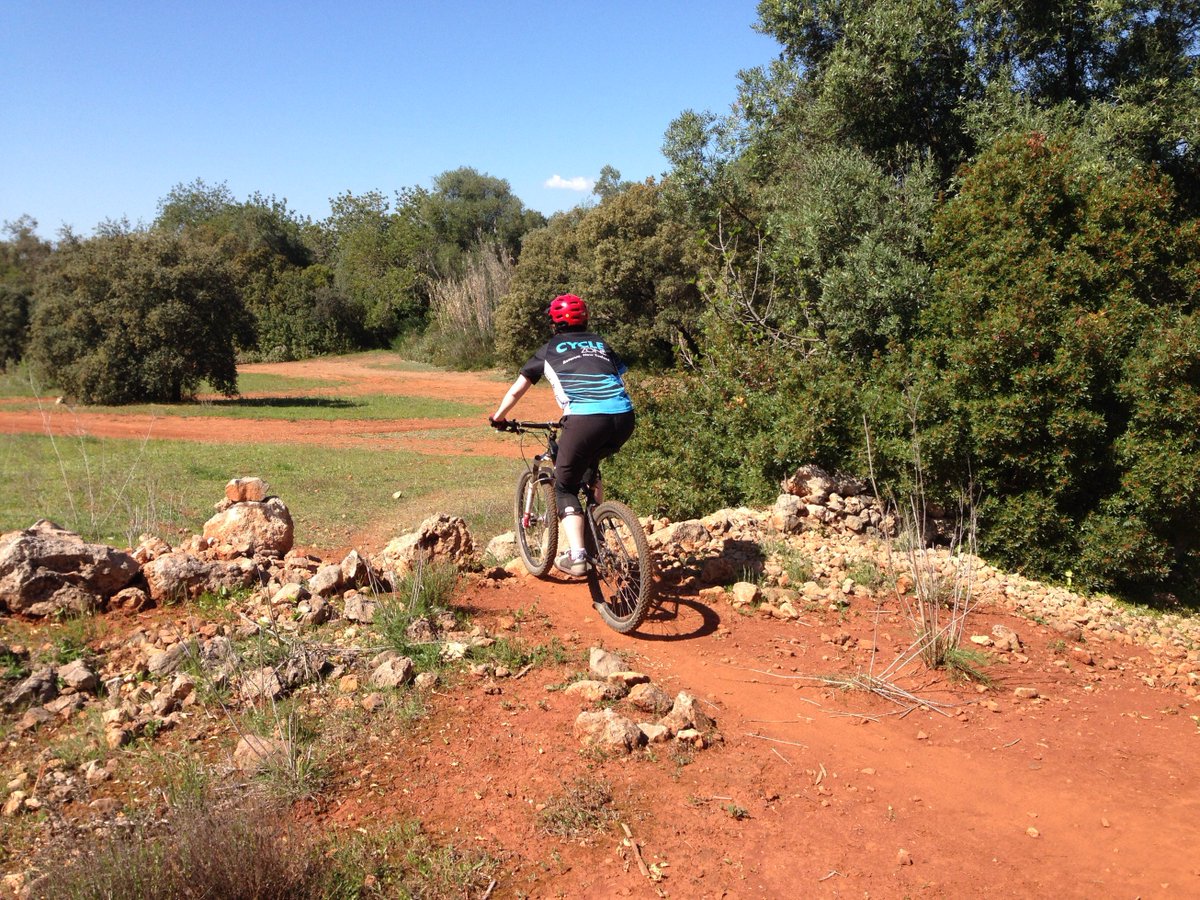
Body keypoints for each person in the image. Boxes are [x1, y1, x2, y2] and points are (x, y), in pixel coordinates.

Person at [490, 294, 635, 576]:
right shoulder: (600, 344)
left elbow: (518, 388)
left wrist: (499, 417)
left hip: (584, 419)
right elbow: (615, 375)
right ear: (585, 320)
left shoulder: (549, 349)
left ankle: (577, 555)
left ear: (554, 323)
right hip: (624, 418)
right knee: (590, 466)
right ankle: (597, 528)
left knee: (564, 487)